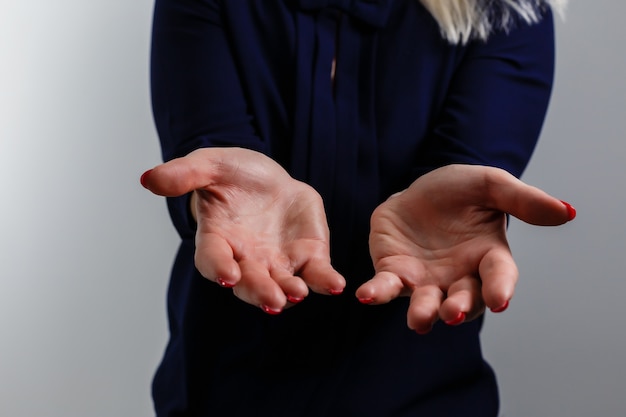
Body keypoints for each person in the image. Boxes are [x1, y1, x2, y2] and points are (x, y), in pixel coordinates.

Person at [140, 0, 575, 416]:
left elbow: (467, 163)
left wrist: (458, 206)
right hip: (217, 390)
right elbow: (209, 155)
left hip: (424, 398)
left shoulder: (509, 9)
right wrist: (219, 197)